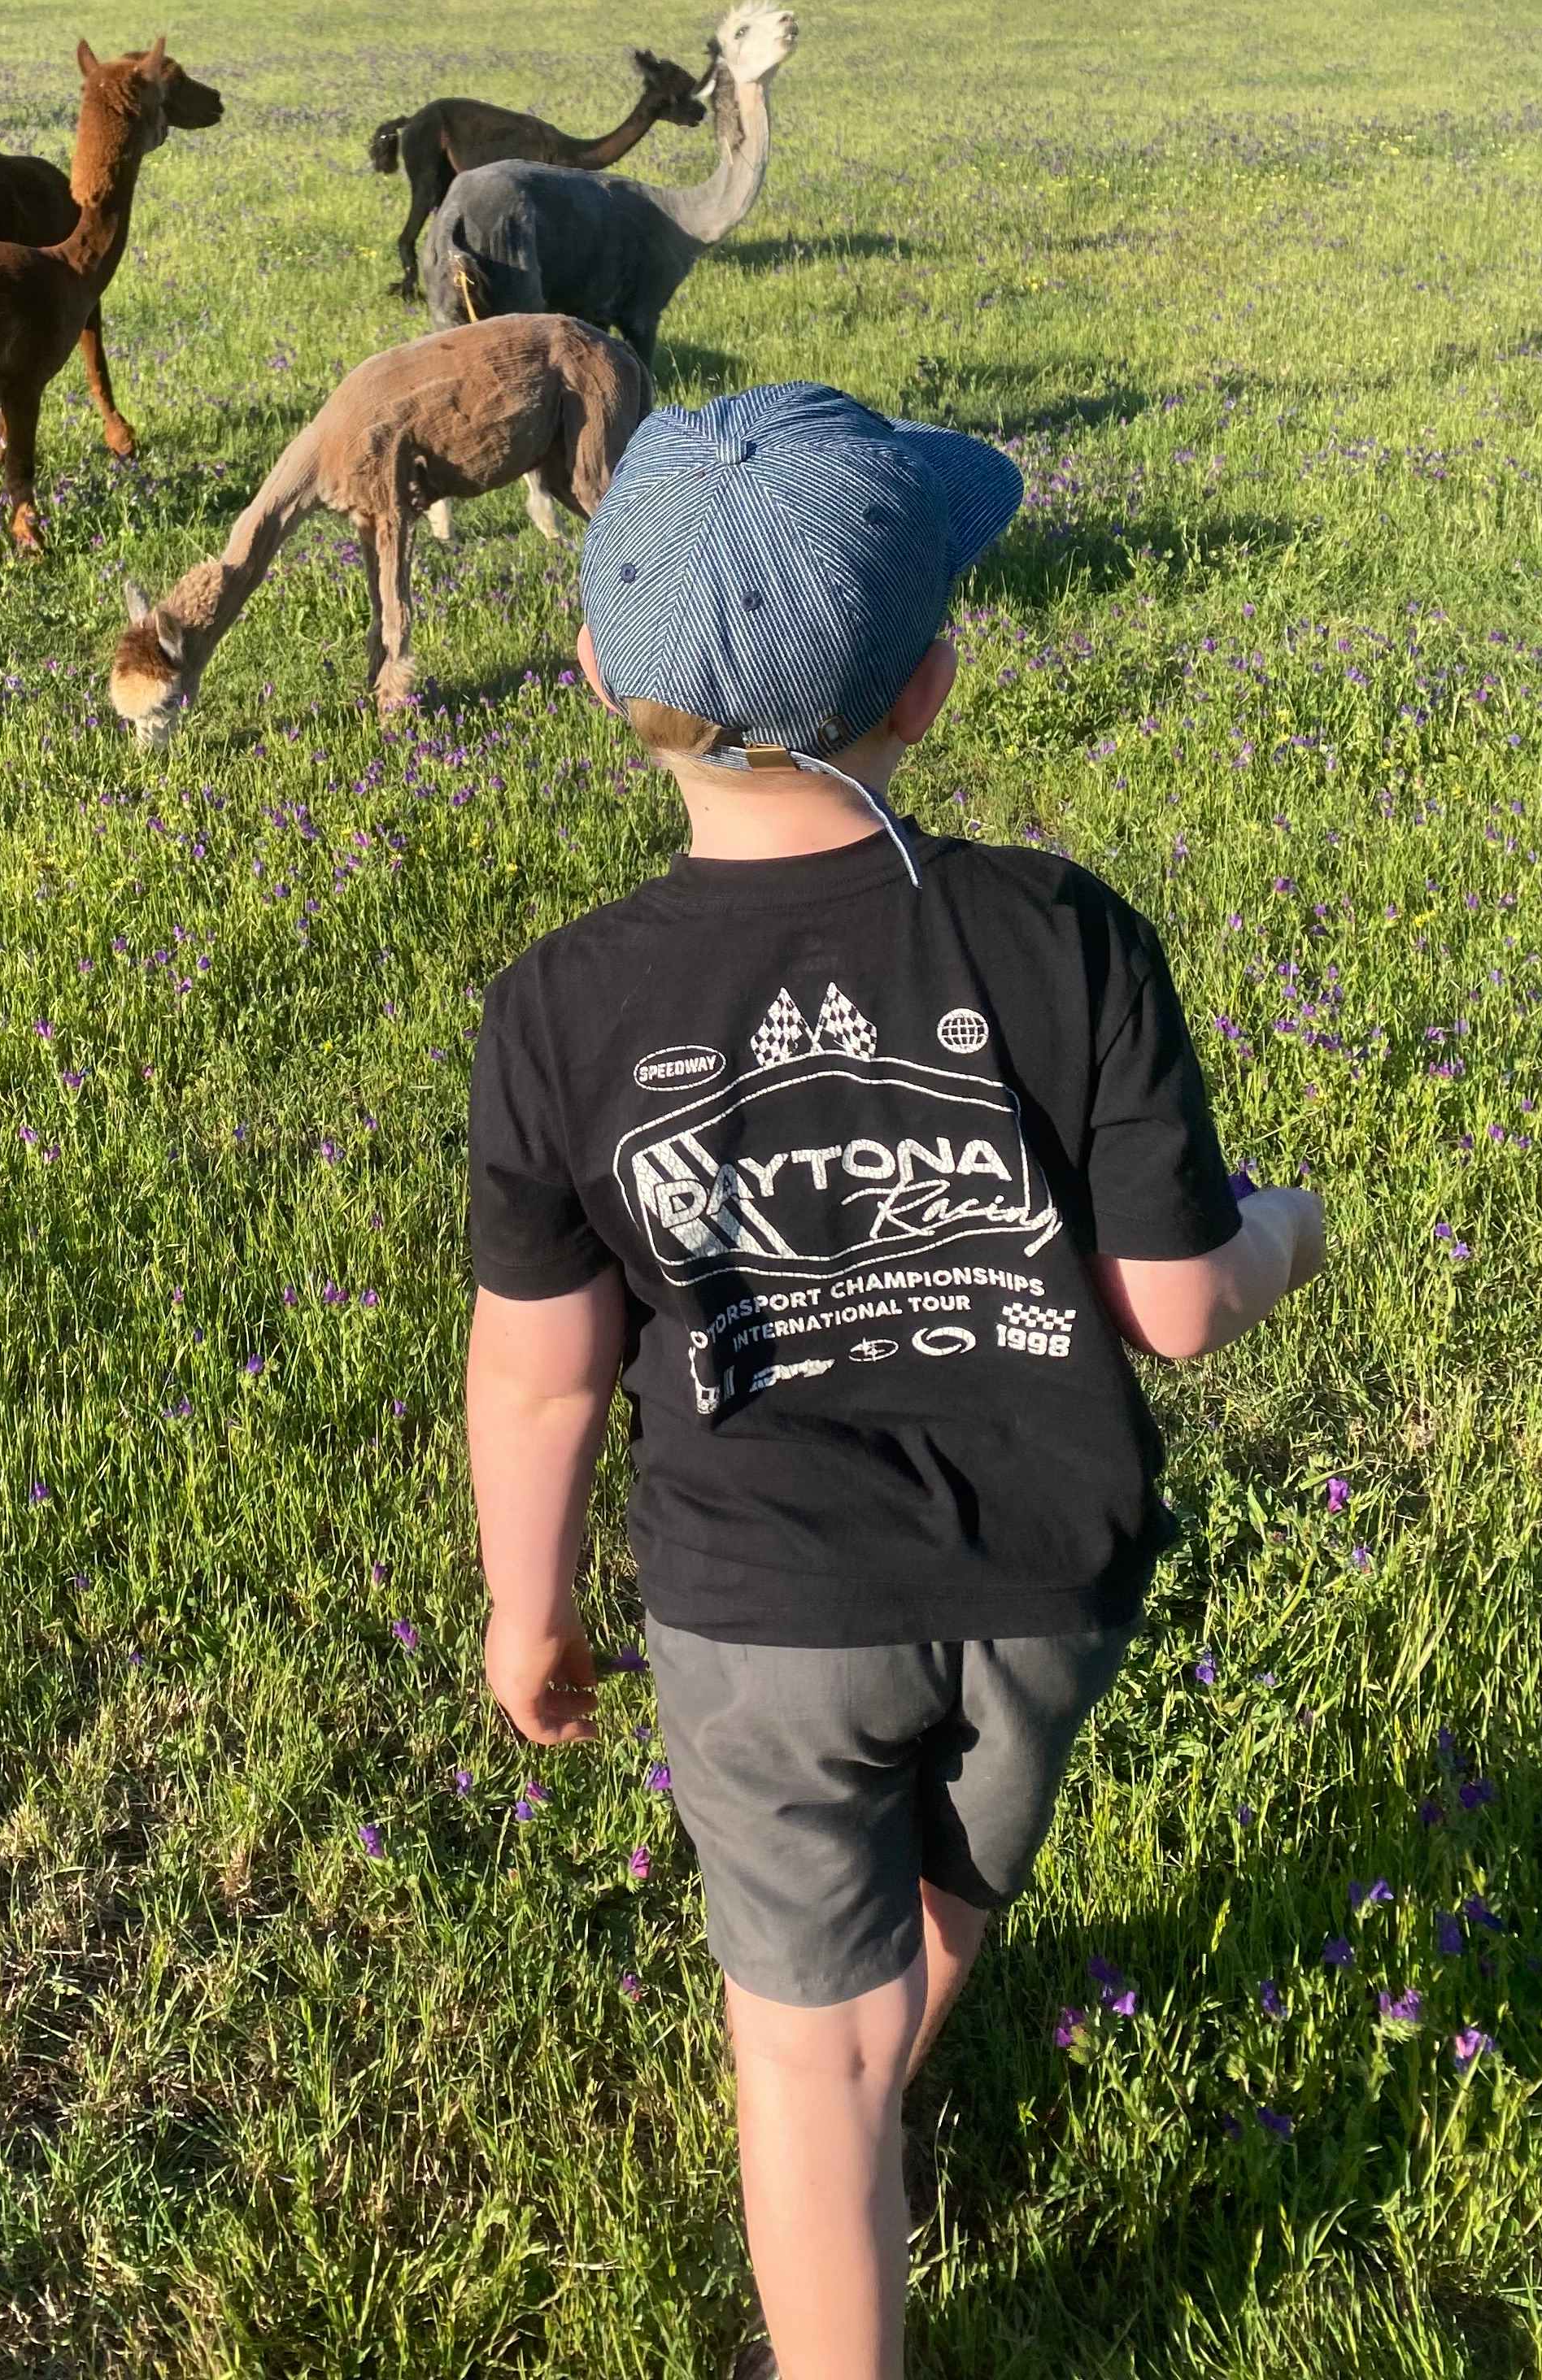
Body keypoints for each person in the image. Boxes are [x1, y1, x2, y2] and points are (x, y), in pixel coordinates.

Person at [464, 383, 1325, 2380]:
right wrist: (1287, 1227)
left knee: (806, 2052)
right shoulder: (1061, 932)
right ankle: (880, 2080)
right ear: (931, 688)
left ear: (594, 674)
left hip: (760, 1612)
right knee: (949, 1889)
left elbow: (539, 1371)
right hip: (1041, 1578)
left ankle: (841, 2174)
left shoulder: (567, 1006)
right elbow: (1178, 1304)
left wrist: (529, 1607)